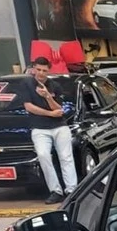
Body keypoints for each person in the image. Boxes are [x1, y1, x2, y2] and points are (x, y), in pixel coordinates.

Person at [11, 57, 77, 204]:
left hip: (59, 126)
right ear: (33, 69)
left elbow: (58, 109)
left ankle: (71, 190)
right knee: (43, 155)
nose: (41, 73)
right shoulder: (26, 84)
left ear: (49, 71)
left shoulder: (55, 86)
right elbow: (29, 107)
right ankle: (55, 190)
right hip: (40, 128)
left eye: (44, 70)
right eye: (38, 70)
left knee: (66, 157)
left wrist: (47, 96)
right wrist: (49, 114)